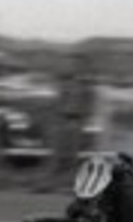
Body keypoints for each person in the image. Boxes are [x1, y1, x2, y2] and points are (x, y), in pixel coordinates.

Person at [36, 48, 98, 193]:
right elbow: (56, 102)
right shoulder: (64, 82)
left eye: (78, 63)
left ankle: (70, 186)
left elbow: (89, 105)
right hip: (60, 120)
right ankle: (47, 185)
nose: (74, 66)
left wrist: (83, 120)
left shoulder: (87, 86)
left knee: (72, 156)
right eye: (73, 63)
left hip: (76, 121)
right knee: (56, 155)